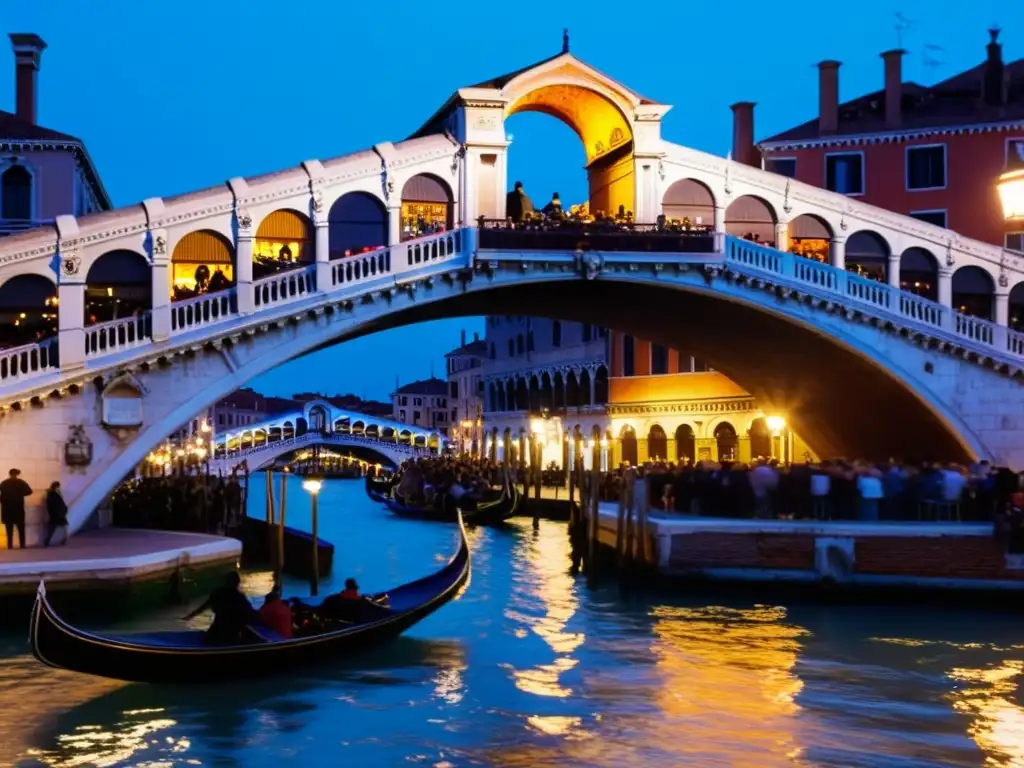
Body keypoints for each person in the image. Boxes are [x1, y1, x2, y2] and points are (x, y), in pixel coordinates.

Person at [183, 571, 259, 645]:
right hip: (232, 631)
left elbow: (203, 607)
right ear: (237, 583)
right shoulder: (239, 597)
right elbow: (250, 613)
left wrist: (190, 616)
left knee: (209, 640)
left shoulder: (218, 593)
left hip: (218, 629)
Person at [0, 468, 32, 549]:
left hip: (7, 509)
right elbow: (29, 491)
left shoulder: (4, 483)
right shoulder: (21, 482)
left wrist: (3, 500)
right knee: (21, 528)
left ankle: (10, 545)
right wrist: (20, 494)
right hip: (18, 508)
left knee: (9, 529)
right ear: (16, 474)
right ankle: (22, 545)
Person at [45, 481, 68, 547]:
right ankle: (63, 540)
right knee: (63, 527)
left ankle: (48, 541)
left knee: (52, 529)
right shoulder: (54, 494)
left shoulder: (51, 494)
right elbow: (58, 504)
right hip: (58, 514)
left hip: (55, 514)